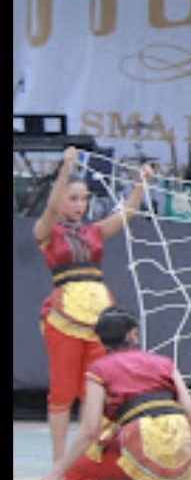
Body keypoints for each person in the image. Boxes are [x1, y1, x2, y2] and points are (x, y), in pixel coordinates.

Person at [33, 145, 155, 463]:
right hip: (64, 316)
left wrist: (141, 183)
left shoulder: (94, 231)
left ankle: (92, 456)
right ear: (60, 199)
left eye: (84, 198)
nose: (80, 204)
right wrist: (65, 169)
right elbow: (50, 208)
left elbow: (126, 215)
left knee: (96, 388)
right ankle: (60, 458)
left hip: (99, 316)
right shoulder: (47, 232)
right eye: (73, 198)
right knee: (62, 389)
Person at [40, 306, 191, 480]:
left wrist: (58, 471)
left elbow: (90, 429)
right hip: (178, 445)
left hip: (141, 436)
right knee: (131, 426)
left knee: (78, 467)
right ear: (133, 335)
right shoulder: (164, 363)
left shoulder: (99, 369)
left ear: (100, 340)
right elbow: (190, 412)